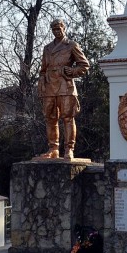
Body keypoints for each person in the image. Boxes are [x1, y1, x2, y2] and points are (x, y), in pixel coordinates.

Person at [37, 18, 90, 160]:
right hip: (50, 86)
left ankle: (69, 149)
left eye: (58, 29)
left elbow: (84, 65)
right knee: (50, 118)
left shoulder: (71, 45)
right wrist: (42, 83)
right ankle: (53, 149)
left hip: (65, 85)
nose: (56, 31)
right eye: (53, 29)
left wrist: (72, 71)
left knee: (68, 117)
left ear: (63, 28)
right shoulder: (47, 48)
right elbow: (43, 69)